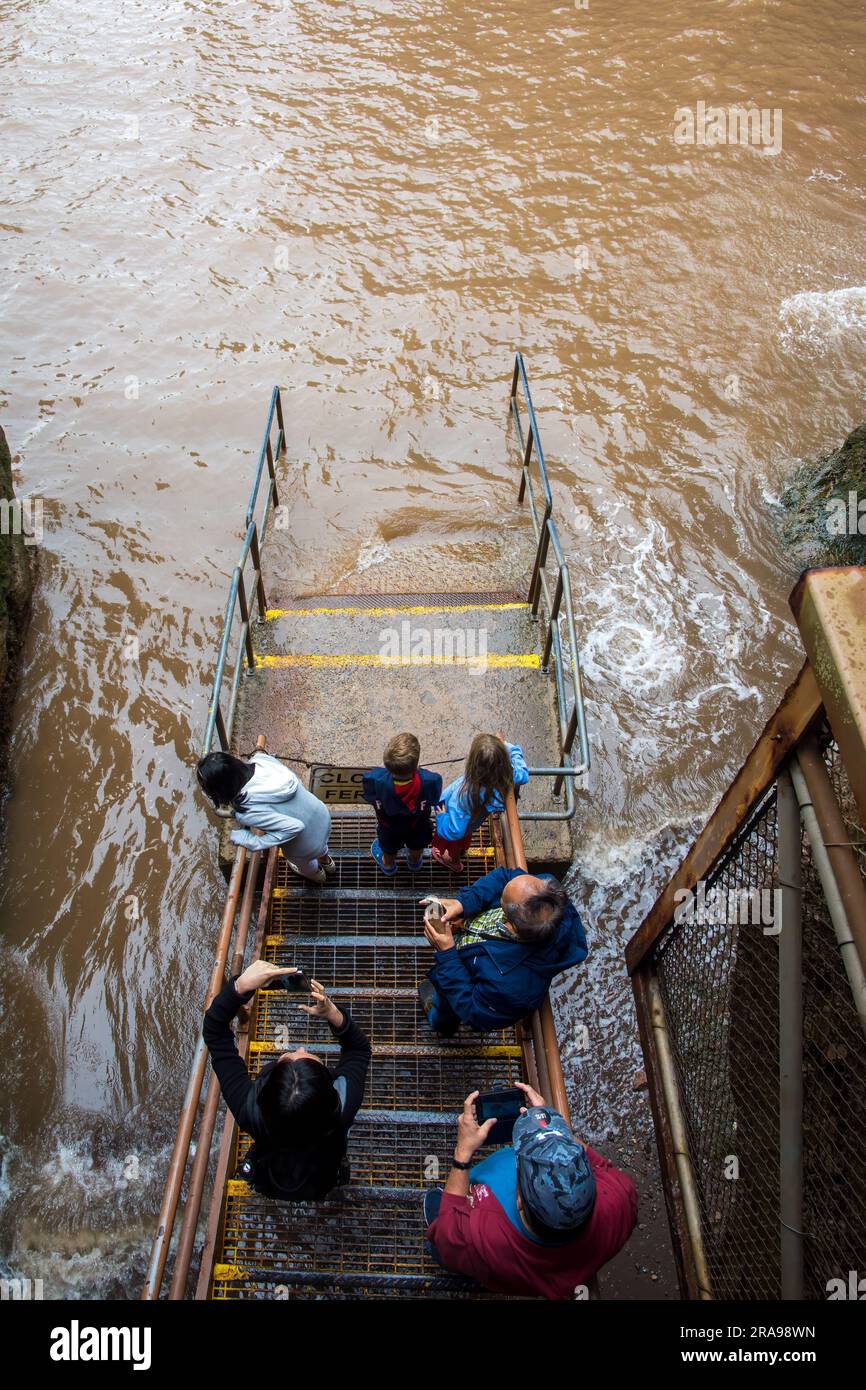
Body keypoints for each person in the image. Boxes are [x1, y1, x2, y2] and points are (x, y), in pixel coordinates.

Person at [423, 1084, 637, 1300]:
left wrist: (463, 1151)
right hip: (528, 1275)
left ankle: (463, 1269)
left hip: (477, 1250)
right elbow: (600, 1166)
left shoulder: (481, 1237)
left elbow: (445, 1235)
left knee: (442, 1241)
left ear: (519, 1200)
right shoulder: (620, 1201)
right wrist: (549, 1125)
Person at [202, 959, 371, 1201]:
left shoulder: (249, 1109)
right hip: (321, 1176)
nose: (300, 1048)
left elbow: (214, 1031)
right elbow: (359, 1051)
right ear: (328, 1090)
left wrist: (240, 987)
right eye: (304, 1055)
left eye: (289, 1056)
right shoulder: (344, 1105)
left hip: (271, 1174)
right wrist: (333, 1014)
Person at [417, 865, 587, 1034]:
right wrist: (464, 903)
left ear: (511, 924)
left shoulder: (513, 989)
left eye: (502, 902)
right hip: (474, 951)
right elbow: (506, 876)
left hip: (464, 980)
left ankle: (441, 1024)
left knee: (446, 1008)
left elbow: (472, 1010)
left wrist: (447, 954)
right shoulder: (545, 893)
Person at [197, 748, 335, 884]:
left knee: (306, 864)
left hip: (305, 845)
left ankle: (317, 875)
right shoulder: (261, 760)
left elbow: (295, 827)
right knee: (321, 846)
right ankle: (327, 862)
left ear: (221, 788)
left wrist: (252, 841)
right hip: (321, 815)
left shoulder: (248, 811)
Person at [431, 732, 528, 873]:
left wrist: (442, 817)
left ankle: (453, 862)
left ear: (473, 763)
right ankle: (461, 851)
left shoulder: (465, 795)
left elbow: (455, 831)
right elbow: (523, 774)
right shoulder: (507, 775)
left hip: (457, 823)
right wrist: (509, 748)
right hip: (471, 822)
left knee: (454, 844)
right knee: (464, 840)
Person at [362, 732, 443, 876]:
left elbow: (369, 796)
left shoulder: (374, 779)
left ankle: (389, 867)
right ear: (416, 764)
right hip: (419, 825)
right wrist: (420, 772)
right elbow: (435, 798)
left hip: (389, 828)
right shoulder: (429, 780)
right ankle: (414, 863)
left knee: (389, 848)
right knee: (417, 844)